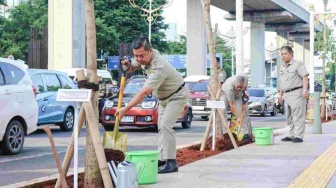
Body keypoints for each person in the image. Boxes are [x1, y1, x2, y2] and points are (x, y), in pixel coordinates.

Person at [115, 36, 189, 174]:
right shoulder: (142, 57)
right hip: (163, 98)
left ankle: (171, 162)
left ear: (150, 51)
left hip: (177, 95)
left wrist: (126, 108)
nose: (139, 58)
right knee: (161, 126)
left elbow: (144, 92)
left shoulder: (159, 66)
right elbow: (132, 67)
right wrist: (127, 65)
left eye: (141, 55)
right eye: (136, 55)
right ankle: (162, 159)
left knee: (166, 125)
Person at [278, 46, 309, 143]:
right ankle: (291, 134)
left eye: (285, 54)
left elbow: (305, 77)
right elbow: (282, 82)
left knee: (298, 115)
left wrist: (305, 90)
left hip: (296, 93)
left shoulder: (298, 64)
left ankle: (298, 136)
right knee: (289, 116)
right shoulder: (282, 67)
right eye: (282, 54)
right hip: (286, 94)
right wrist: (280, 94)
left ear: (291, 54)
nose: (283, 56)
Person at [222, 74, 252, 141]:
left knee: (241, 112)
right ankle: (225, 133)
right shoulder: (229, 88)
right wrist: (237, 117)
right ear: (235, 83)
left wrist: (245, 92)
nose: (239, 88)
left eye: (241, 87)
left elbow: (242, 107)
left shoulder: (245, 78)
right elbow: (232, 105)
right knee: (223, 112)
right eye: (238, 87)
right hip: (224, 94)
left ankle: (245, 133)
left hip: (238, 95)